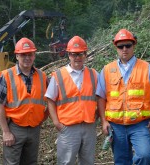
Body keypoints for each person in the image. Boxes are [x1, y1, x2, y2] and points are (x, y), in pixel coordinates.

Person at [96, 29, 150, 165]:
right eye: (120, 46)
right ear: (116, 47)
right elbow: (101, 97)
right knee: (121, 161)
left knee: (145, 155)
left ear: (134, 45)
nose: (124, 49)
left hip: (140, 125)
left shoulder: (147, 68)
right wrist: (104, 121)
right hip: (116, 126)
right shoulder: (107, 70)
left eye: (128, 45)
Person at [0, 37, 49, 165]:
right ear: (17, 56)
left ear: (34, 56)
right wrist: (6, 132)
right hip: (14, 128)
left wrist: (41, 119)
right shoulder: (7, 75)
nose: (27, 58)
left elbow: (51, 101)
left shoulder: (42, 76)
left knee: (31, 162)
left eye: (30, 54)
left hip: (34, 128)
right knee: (11, 163)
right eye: (23, 55)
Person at [45, 36, 98, 165]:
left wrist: (97, 116)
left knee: (88, 161)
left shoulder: (94, 74)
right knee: (66, 162)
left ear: (85, 54)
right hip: (67, 127)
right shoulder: (58, 75)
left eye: (80, 54)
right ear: (69, 55)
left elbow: (101, 98)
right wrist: (57, 123)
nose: (77, 57)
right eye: (74, 54)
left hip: (89, 126)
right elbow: (50, 100)